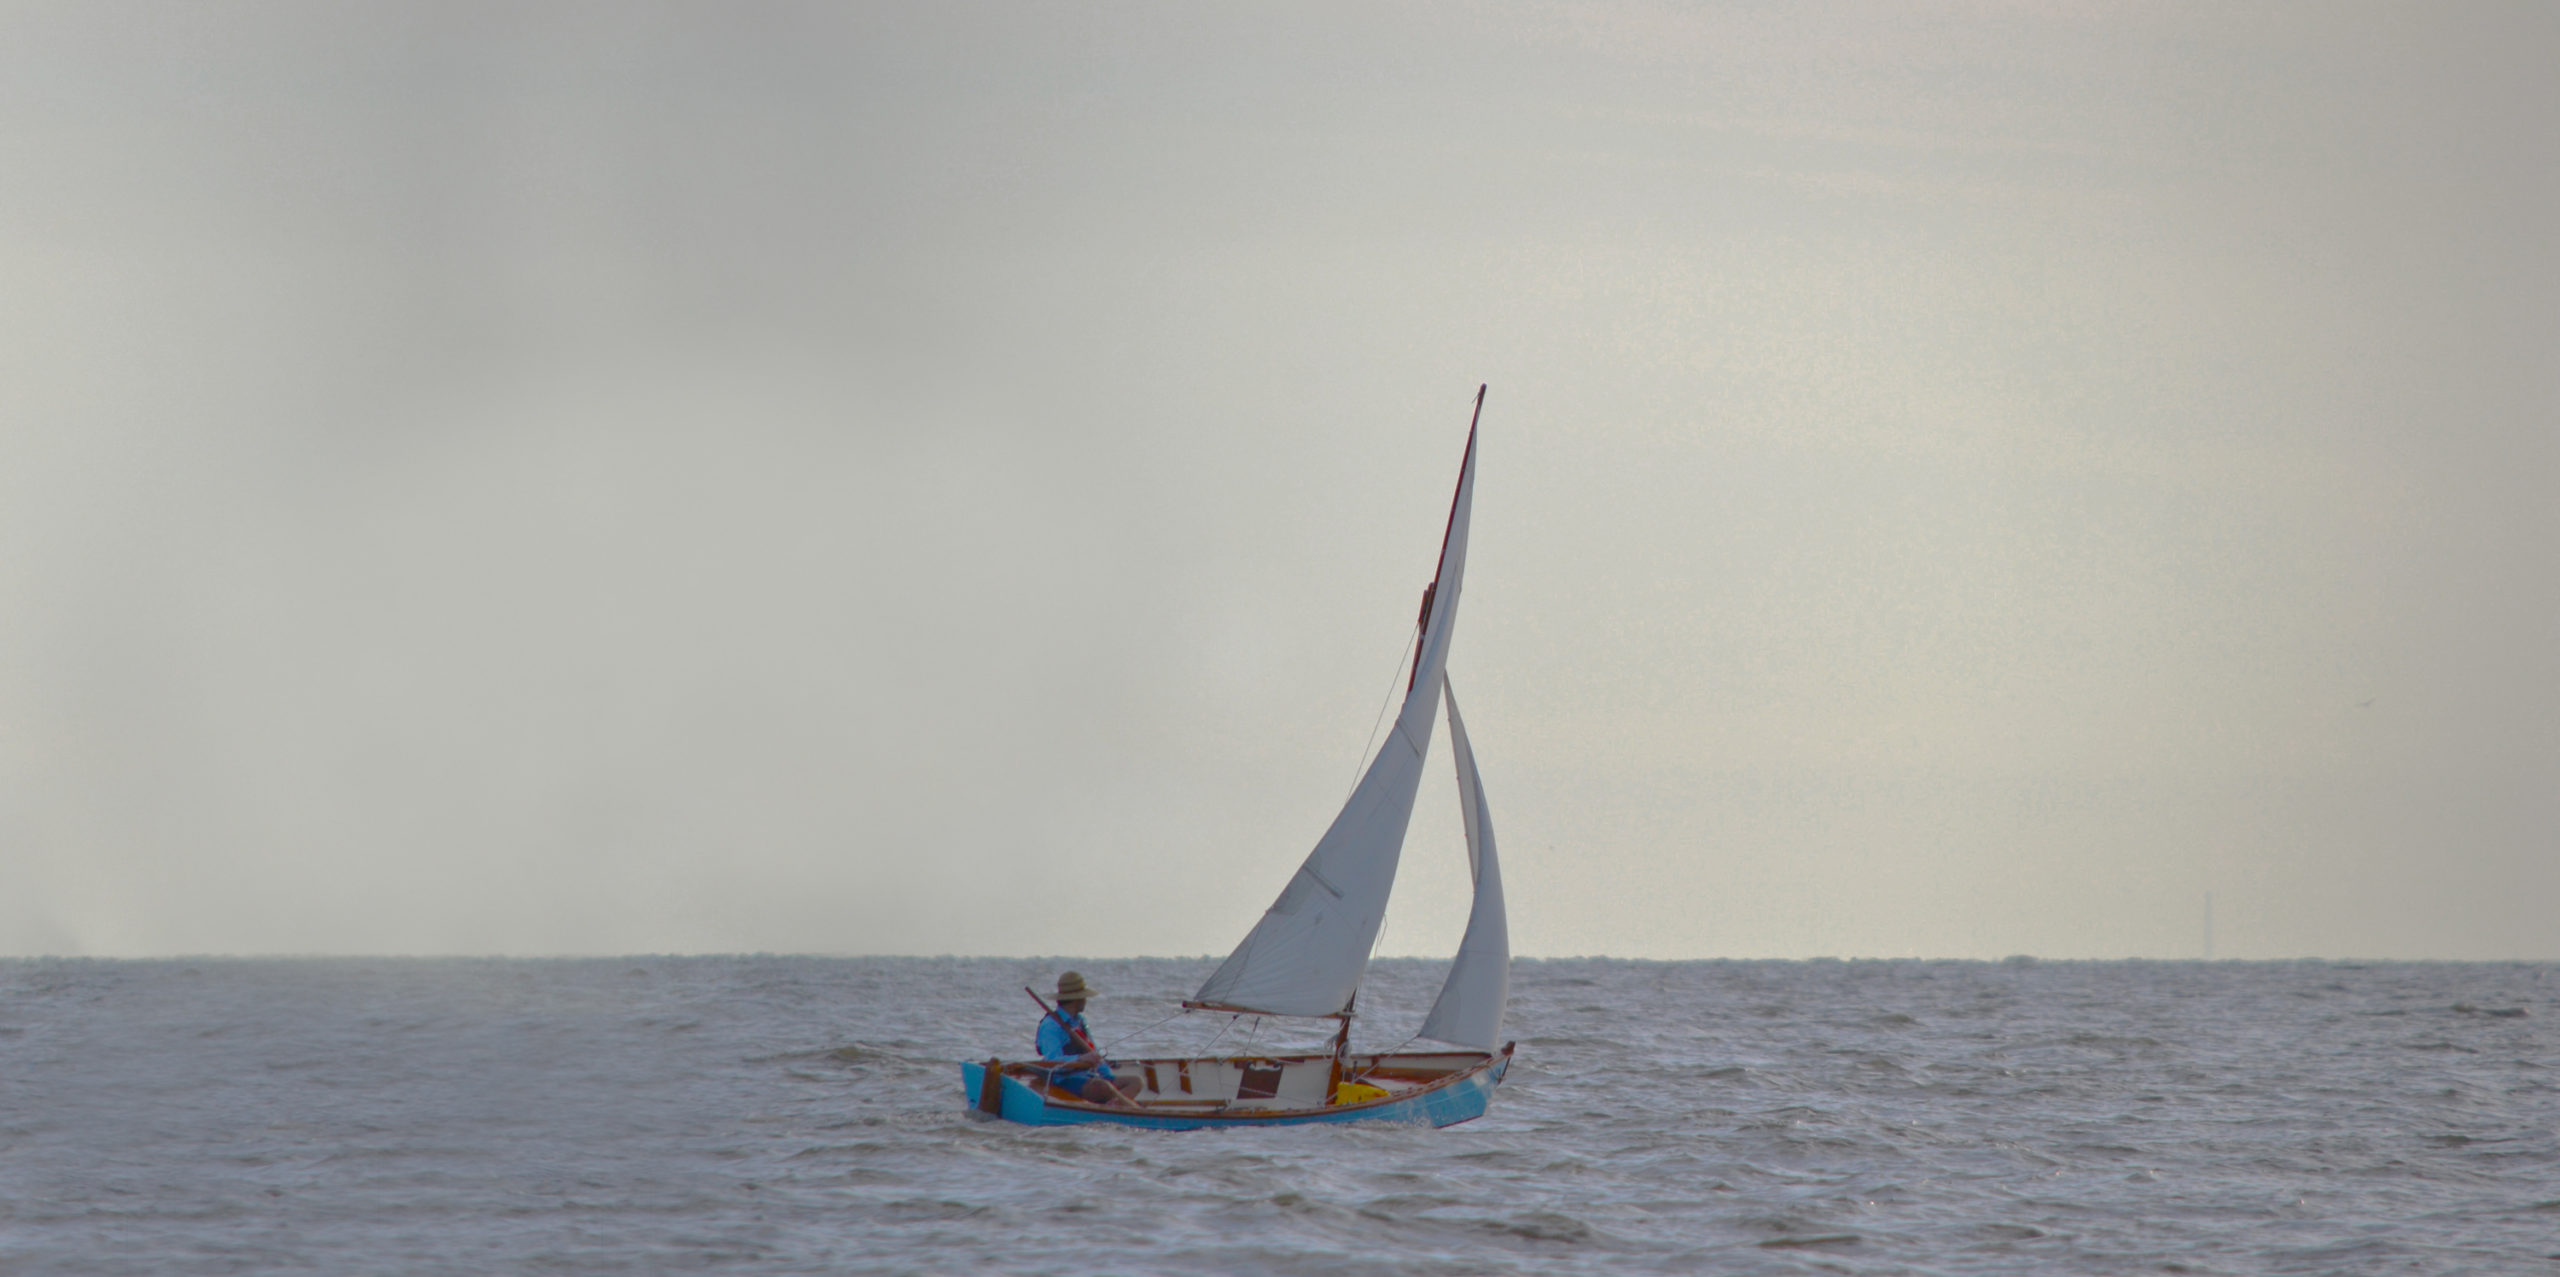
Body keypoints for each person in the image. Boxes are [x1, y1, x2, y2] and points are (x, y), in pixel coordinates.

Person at [1037, 971, 1142, 1109]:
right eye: (1084, 997)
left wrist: (1106, 1073)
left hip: (1088, 1076)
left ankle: (1115, 1106)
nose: (1086, 1000)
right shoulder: (1051, 1025)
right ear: (1077, 1000)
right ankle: (1131, 1109)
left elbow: (1092, 1050)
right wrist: (1080, 1059)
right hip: (1066, 1080)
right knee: (1103, 1087)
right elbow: (1051, 1061)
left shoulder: (1080, 1021)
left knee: (1136, 1082)